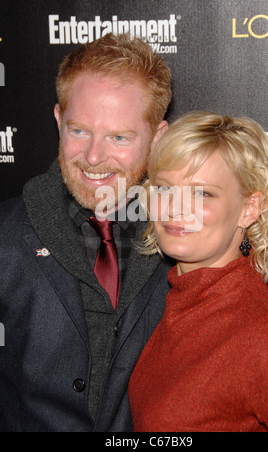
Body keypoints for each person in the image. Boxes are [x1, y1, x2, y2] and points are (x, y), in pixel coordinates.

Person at [0, 33, 173, 431]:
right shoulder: (6, 237)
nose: (93, 157)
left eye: (119, 137)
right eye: (79, 130)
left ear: (158, 137)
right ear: (59, 120)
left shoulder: (187, 239)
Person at [129, 111, 268, 432]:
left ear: (249, 208)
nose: (175, 208)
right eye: (164, 189)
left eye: (202, 193)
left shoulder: (257, 327)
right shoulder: (189, 294)